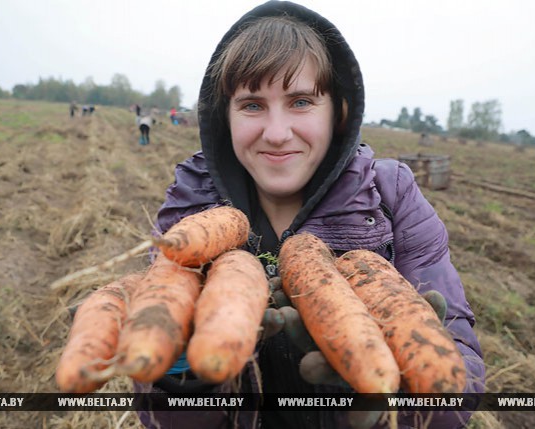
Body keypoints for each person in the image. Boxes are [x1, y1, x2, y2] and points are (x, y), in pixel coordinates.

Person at [130, 1, 485, 428]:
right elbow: (157, 415)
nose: (277, 134)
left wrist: (403, 396)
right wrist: (180, 380)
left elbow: (458, 395)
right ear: (224, 117)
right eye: (252, 105)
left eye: (301, 102)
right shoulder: (190, 205)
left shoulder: (392, 195)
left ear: (339, 113)